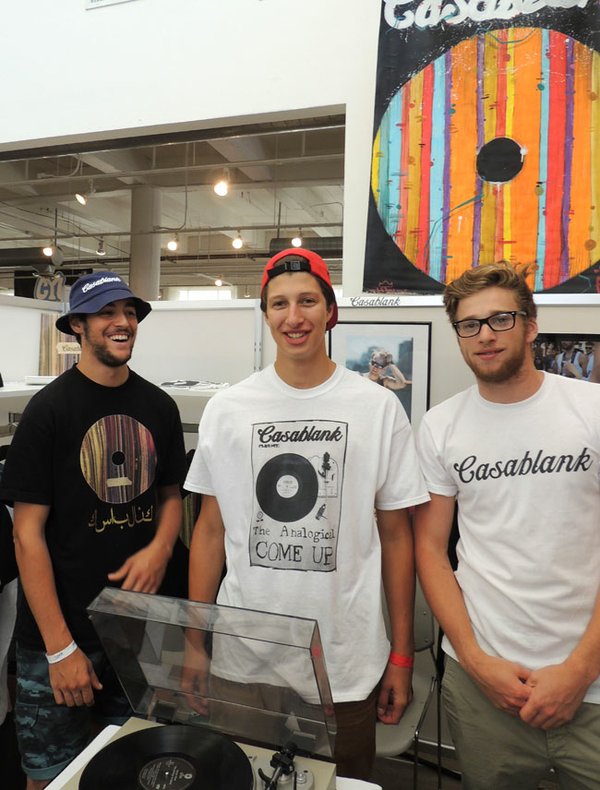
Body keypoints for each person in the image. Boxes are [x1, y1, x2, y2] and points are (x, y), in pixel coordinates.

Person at [184, 248, 429, 780]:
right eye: (279, 304)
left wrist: (402, 654)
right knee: (241, 779)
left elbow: (398, 538)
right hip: (244, 662)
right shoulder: (228, 408)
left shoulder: (377, 407)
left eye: (307, 301)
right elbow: (209, 532)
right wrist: (193, 643)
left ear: (330, 311)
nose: (293, 317)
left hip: (344, 663)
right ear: (266, 314)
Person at [415, 262, 600, 789]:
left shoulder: (591, 409)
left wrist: (581, 669)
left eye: (500, 318)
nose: (486, 335)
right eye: (469, 324)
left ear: (531, 325)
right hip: (485, 687)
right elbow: (431, 550)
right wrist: (474, 661)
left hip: (591, 684)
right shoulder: (441, 426)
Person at [0, 271, 187, 789]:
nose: (122, 322)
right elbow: (26, 535)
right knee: (51, 779)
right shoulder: (48, 412)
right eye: (107, 313)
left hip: (136, 634)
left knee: (136, 772)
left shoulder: (159, 407)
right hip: (57, 639)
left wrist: (159, 548)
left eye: (129, 312)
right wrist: (61, 651)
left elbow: (172, 497)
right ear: (77, 326)